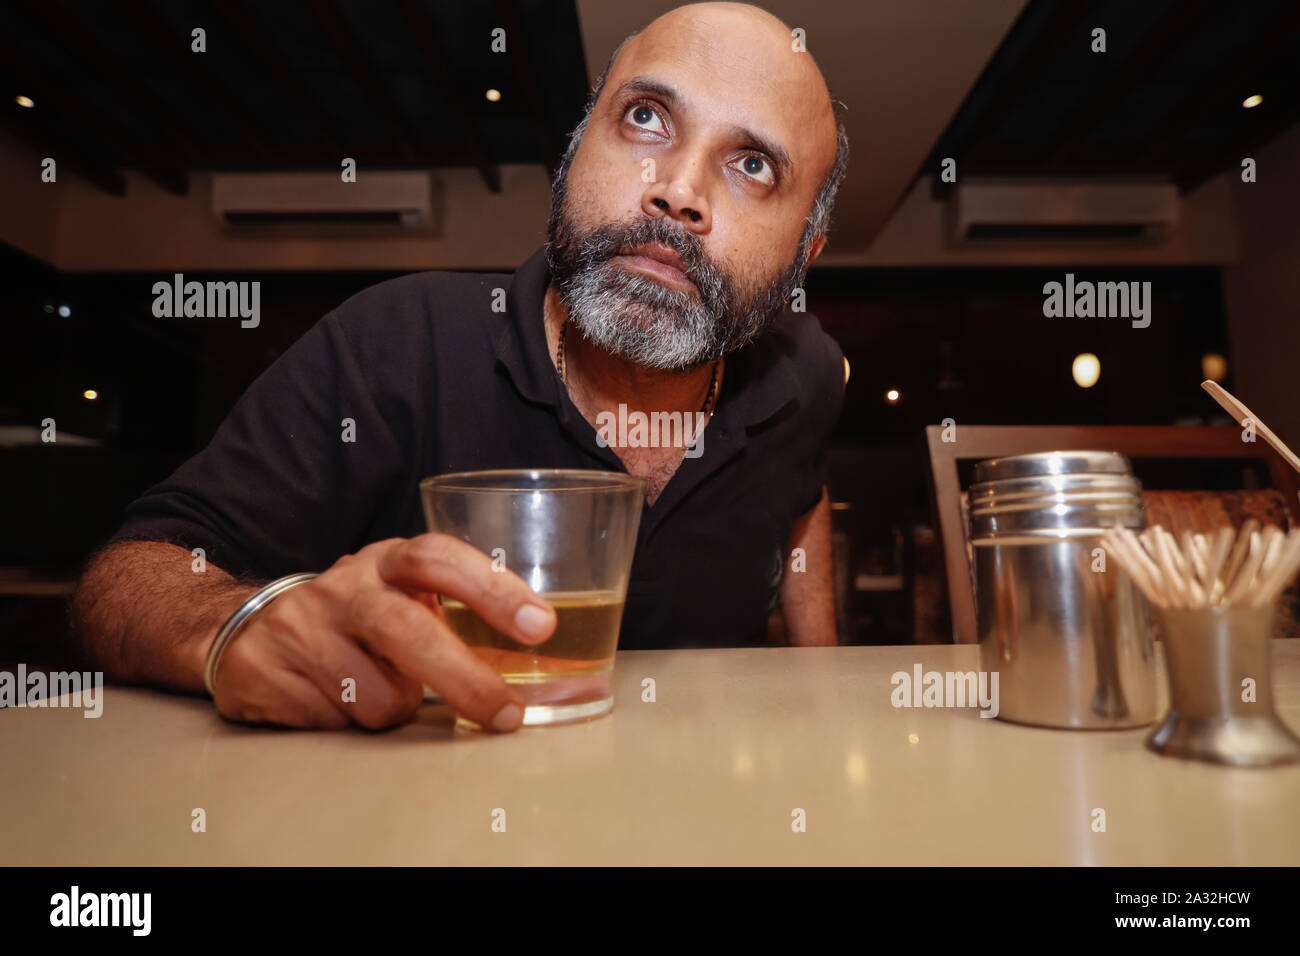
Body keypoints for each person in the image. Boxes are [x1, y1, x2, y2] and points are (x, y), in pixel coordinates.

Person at [71, 1, 850, 733]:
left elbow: (803, 493)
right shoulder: (394, 341)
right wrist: (238, 622)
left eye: (752, 165)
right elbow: (125, 579)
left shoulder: (804, 370)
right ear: (576, 154)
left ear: (799, 261)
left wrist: (824, 680)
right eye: (645, 119)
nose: (679, 190)